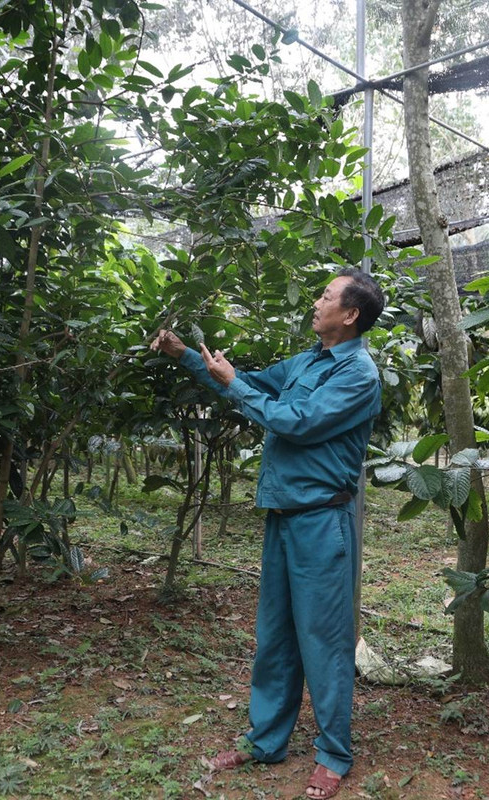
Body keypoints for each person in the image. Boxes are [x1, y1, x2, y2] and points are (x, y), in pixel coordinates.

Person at [150, 267, 384, 800]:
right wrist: (187, 355)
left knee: (324, 640)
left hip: (324, 522)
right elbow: (250, 385)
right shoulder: (307, 361)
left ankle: (333, 753)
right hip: (284, 515)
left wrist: (237, 387)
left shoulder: (357, 375)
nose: (317, 301)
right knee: (275, 635)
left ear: (350, 314)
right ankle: (267, 742)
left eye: (326, 295)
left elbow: (295, 421)